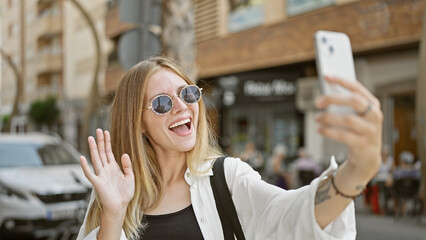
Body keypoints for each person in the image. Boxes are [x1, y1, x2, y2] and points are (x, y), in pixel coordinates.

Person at [76, 56, 383, 240]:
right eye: (161, 103)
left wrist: (358, 171)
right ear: (137, 122)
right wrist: (113, 216)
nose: (181, 106)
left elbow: (293, 215)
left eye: (187, 93)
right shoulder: (113, 193)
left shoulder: (227, 178)